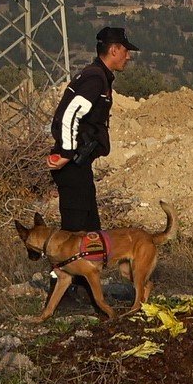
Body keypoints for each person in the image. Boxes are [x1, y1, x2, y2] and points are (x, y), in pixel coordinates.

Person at [47, 26, 139, 231]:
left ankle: (88, 262)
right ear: (114, 50)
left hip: (80, 164)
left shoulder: (98, 75)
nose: (129, 56)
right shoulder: (96, 78)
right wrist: (67, 152)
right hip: (74, 165)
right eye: (126, 50)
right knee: (74, 235)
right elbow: (70, 114)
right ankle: (62, 264)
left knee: (91, 232)